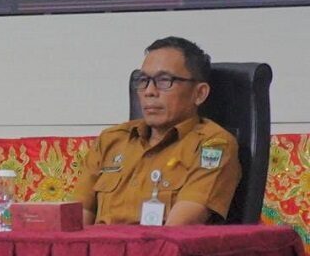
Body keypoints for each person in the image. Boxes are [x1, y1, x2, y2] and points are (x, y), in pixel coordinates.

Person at [74, 36, 241, 226]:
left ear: (199, 93)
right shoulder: (111, 140)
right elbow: (76, 221)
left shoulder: (212, 146)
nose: (149, 91)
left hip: (158, 244)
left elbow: (178, 229)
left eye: (164, 80)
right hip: (97, 244)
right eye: (143, 80)